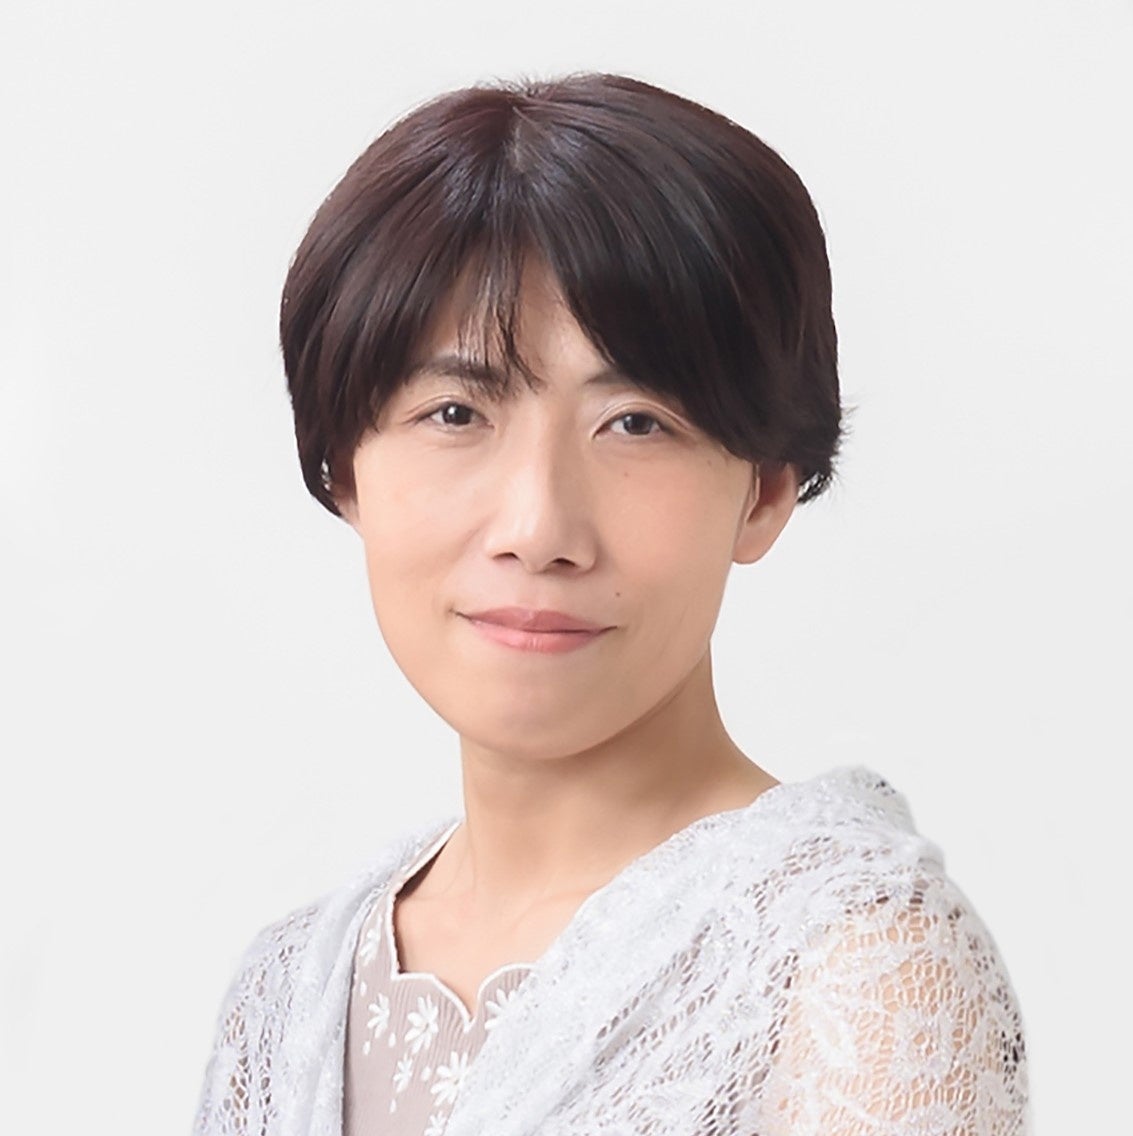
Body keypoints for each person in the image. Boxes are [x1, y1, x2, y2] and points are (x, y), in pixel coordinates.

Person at [192, 72, 1028, 1136]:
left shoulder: (854, 967)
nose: (537, 527)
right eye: (455, 412)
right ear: (342, 469)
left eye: (635, 423)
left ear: (764, 490)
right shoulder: (286, 994)